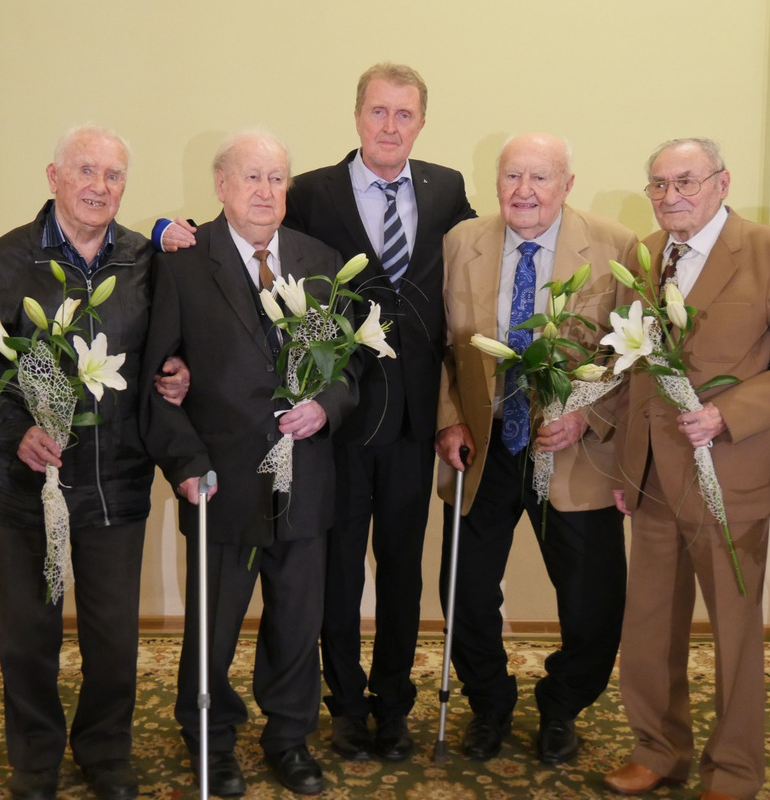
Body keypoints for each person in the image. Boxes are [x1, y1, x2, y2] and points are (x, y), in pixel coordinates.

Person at [155, 62, 475, 762]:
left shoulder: (443, 191)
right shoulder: (308, 197)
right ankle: (321, 713)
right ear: (357, 115)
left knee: (380, 576)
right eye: (378, 112)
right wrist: (163, 228)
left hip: (397, 420)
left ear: (420, 121)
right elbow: (226, 255)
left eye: (405, 114)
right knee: (311, 586)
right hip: (290, 448)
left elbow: (473, 260)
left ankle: (360, 716)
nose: (390, 125)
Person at [0, 124, 189, 800]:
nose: (98, 186)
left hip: (117, 486)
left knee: (114, 637)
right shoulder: (3, 263)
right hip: (25, 490)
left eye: (112, 176)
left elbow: (172, 351)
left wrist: (176, 375)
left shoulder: (145, 262)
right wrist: (13, 430)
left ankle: (106, 751)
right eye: (85, 171)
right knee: (29, 635)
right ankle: (37, 759)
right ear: (53, 178)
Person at [603, 138, 770, 800]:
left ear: (722, 183)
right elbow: (629, 367)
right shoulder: (642, 256)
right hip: (649, 477)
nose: (671, 196)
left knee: (733, 635)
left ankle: (733, 769)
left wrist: (728, 415)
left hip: (727, 473)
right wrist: (623, 461)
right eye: (659, 185)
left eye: (686, 182)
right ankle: (657, 748)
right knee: (647, 626)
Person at [140, 131, 358, 797]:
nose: (266, 192)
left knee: (297, 620)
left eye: (277, 179)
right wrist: (187, 465)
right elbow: (157, 381)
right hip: (220, 484)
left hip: (306, 480)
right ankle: (210, 737)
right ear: (222, 186)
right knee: (215, 624)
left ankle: (288, 738)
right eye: (252, 178)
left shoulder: (321, 263)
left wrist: (325, 408)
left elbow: (347, 371)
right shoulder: (182, 261)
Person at [434, 133, 635, 764]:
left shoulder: (614, 245)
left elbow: (630, 352)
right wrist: (448, 420)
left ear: (567, 184)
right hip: (483, 446)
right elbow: (435, 343)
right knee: (463, 591)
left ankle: (561, 707)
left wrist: (584, 415)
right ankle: (489, 703)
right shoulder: (461, 242)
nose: (524, 191)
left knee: (593, 600)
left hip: (572, 451)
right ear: (496, 182)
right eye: (512, 176)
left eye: (540, 178)